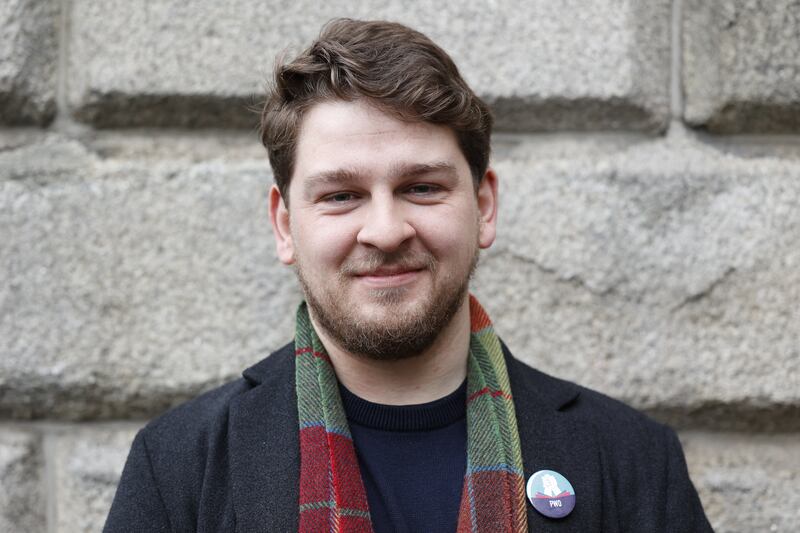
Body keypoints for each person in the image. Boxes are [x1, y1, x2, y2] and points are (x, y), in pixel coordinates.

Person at [104, 18, 713, 533]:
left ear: (484, 207)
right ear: (285, 225)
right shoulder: (179, 468)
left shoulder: (633, 460)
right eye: (341, 196)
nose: (386, 230)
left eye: (421, 187)